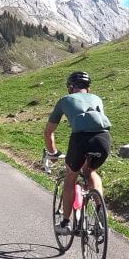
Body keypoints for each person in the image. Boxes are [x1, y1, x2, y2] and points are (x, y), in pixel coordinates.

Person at [44, 71, 111, 234]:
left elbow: (48, 132)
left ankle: (66, 223)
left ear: (70, 88)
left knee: (70, 177)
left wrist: (53, 152)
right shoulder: (97, 99)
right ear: (88, 89)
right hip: (104, 139)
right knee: (90, 171)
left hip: (80, 139)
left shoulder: (64, 100)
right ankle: (101, 213)